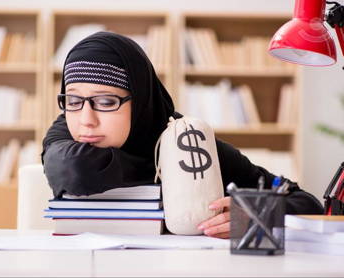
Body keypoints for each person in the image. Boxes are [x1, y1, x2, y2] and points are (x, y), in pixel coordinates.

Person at [42, 31, 323, 239]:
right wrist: (160, 166)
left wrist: (260, 213)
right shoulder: (67, 127)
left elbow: (307, 203)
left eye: (106, 102)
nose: (86, 121)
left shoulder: (188, 145)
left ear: (140, 101)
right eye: (74, 100)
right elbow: (76, 169)